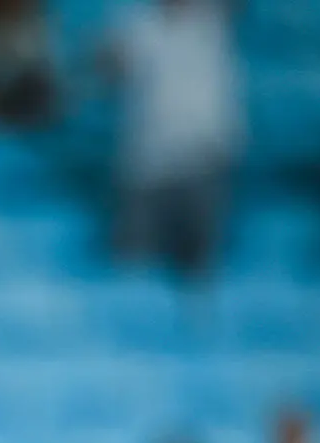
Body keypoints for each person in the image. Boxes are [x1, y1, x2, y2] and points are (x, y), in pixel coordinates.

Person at [104, 0, 244, 276]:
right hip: (148, 163)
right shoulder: (136, 25)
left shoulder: (213, 18)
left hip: (204, 158)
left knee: (199, 267)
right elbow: (110, 68)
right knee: (134, 263)